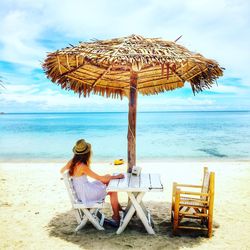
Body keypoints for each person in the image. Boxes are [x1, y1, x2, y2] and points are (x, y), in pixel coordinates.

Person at [60, 139, 124, 225]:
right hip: (86, 194)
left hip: (81, 191)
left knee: (108, 178)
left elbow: (62, 171)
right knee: (113, 190)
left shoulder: (72, 162)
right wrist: (117, 176)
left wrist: (72, 176)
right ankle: (116, 218)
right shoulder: (82, 166)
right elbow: (101, 178)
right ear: (87, 153)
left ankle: (118, 208)